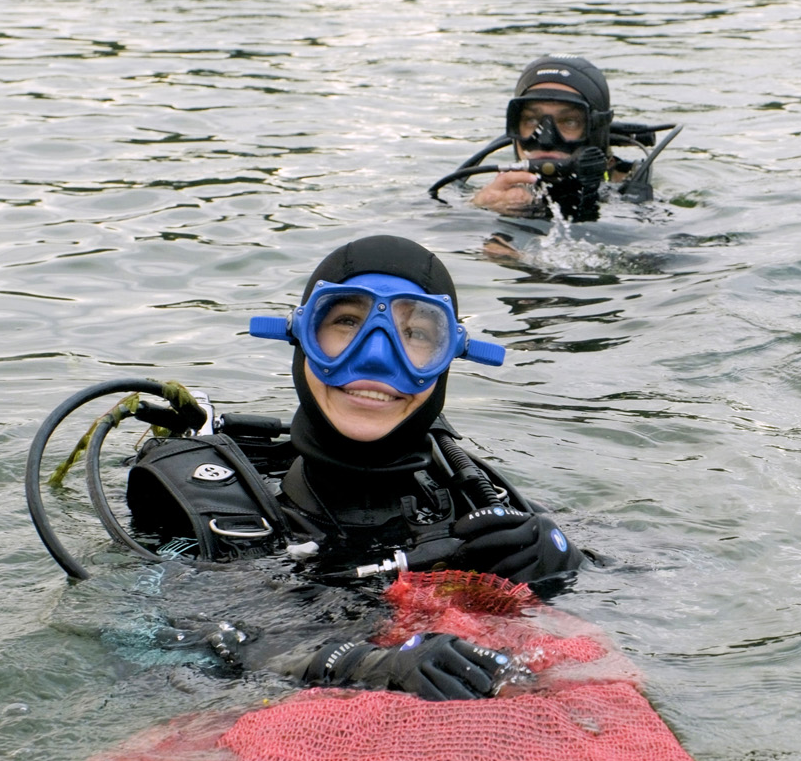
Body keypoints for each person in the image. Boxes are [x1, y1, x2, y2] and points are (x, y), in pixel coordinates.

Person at [147, 235, 586, 700]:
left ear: (448, 358)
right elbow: (139, 645)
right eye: (347, 321)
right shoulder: (197, 507)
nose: (376, 358)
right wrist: (362, 666)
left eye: (416, 333)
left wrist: (565, 563)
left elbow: (655, 576)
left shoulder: (470, 496)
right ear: (301, 335)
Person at [447, 55, 676, 223]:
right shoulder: (486, 194)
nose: (546, 140)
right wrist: (477, 211)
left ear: (595, 130)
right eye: (530, 120)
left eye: (569, 122)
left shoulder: (632, 197)